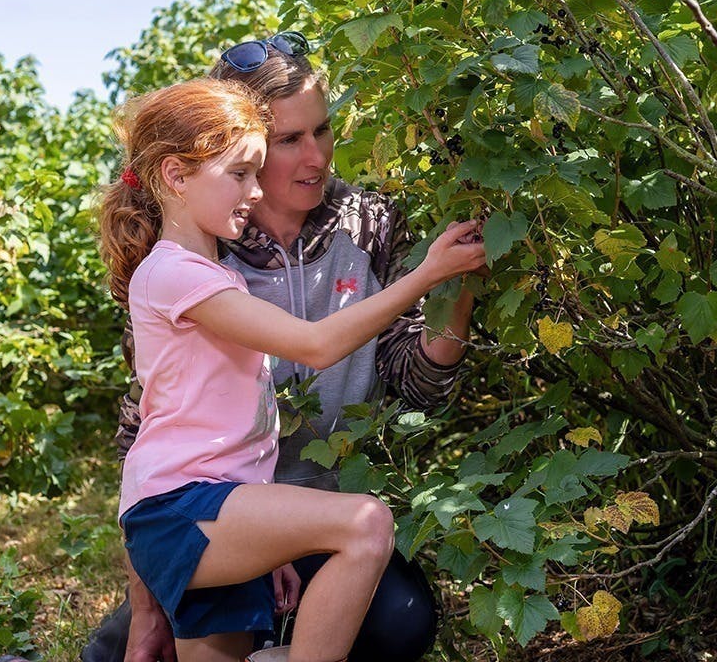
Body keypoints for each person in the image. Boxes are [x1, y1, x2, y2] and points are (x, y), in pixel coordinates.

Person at [86, 33, 479, 662]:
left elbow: (417, 383)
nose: (317, 157)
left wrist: (453, 290)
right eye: (286, 142)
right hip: (210, 514)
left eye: (323, 131)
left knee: (398, 619)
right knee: (118, 652)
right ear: (191, 169)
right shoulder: (200, 266)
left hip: (274, 513)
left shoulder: (366, 223)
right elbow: (150, 431)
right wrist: (145, 607)